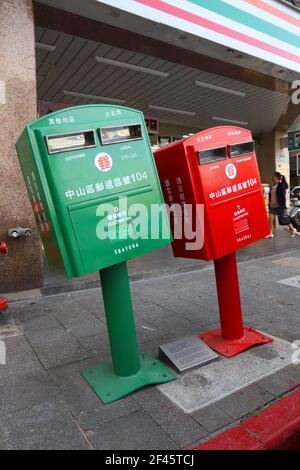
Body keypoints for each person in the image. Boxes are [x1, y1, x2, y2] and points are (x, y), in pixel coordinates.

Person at [265, 172, 297, 239]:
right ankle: (270, 233)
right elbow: (271, 196)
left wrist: (284, 207)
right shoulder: (273, 185)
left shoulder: (281, 186)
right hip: (272, 206)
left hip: (279, 206)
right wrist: (269, 204)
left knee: (285, 219)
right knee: (270, 220)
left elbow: (283, 197)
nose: (272, 177)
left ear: (276, 177)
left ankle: (293, 229)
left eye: (273, 176)